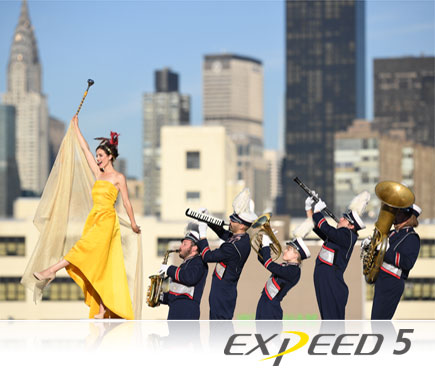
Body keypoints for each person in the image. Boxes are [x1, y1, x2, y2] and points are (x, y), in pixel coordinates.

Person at [33, 115, 140, 319]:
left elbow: (126, 202)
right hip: (94, 220)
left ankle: (51, 270)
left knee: (82, 250)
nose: (97, 158)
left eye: (101, 155)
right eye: (97, 155)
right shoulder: (98, 175)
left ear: (110, 156)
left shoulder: (118, 178)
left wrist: (133, 224)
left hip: (107, 221)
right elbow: (84, 150)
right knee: (97, 263)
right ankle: (102, 308)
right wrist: (76, 127)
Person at [195, 188, 257, 320]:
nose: (230, 219)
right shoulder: (242, 238)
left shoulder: (232, 247)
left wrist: (202, 234)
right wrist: (208, 218)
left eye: (234, 219)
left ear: (241, 226)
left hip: (222, 294)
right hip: (223, 292)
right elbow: (224, 233)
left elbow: (207, 256)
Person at [306, 195, 366, 320]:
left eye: (345, 219)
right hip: (326, 279)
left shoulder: (347, 236)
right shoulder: (340, 236)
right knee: (327, 320)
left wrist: (318, 211)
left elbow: (327, 229)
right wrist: (309, 209)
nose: (341, 219)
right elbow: (318, 227)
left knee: (332, 323)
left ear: (351, 226)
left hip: (332, 281)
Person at [370, 204, 421, 320]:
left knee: (380, 323)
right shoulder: (392, 233)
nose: (395, 215)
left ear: (407, 217)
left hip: (392, 282)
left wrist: (385, 251)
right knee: (376, 322)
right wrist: (370, 246)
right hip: (383, 279)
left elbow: (407, 262)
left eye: (399, 213)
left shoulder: (411, 237)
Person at [159, 223, 208, 320]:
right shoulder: (185, 265)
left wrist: (169, 269)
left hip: (187, 312)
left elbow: (190, 278)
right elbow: (177, 291)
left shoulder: (199, 262)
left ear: (194, 248)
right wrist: (159, 297)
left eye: (185, 244)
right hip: (175, 312)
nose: (180, 246)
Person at [256, 235, 311, 320]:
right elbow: (261, 259)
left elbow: (269, 265)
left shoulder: (294, 271)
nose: (284, 251)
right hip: (265, 304)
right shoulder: (287, 267)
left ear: (296, 255)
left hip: (271, 308)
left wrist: (266, 245)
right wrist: (263, 244)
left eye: (288, 249)